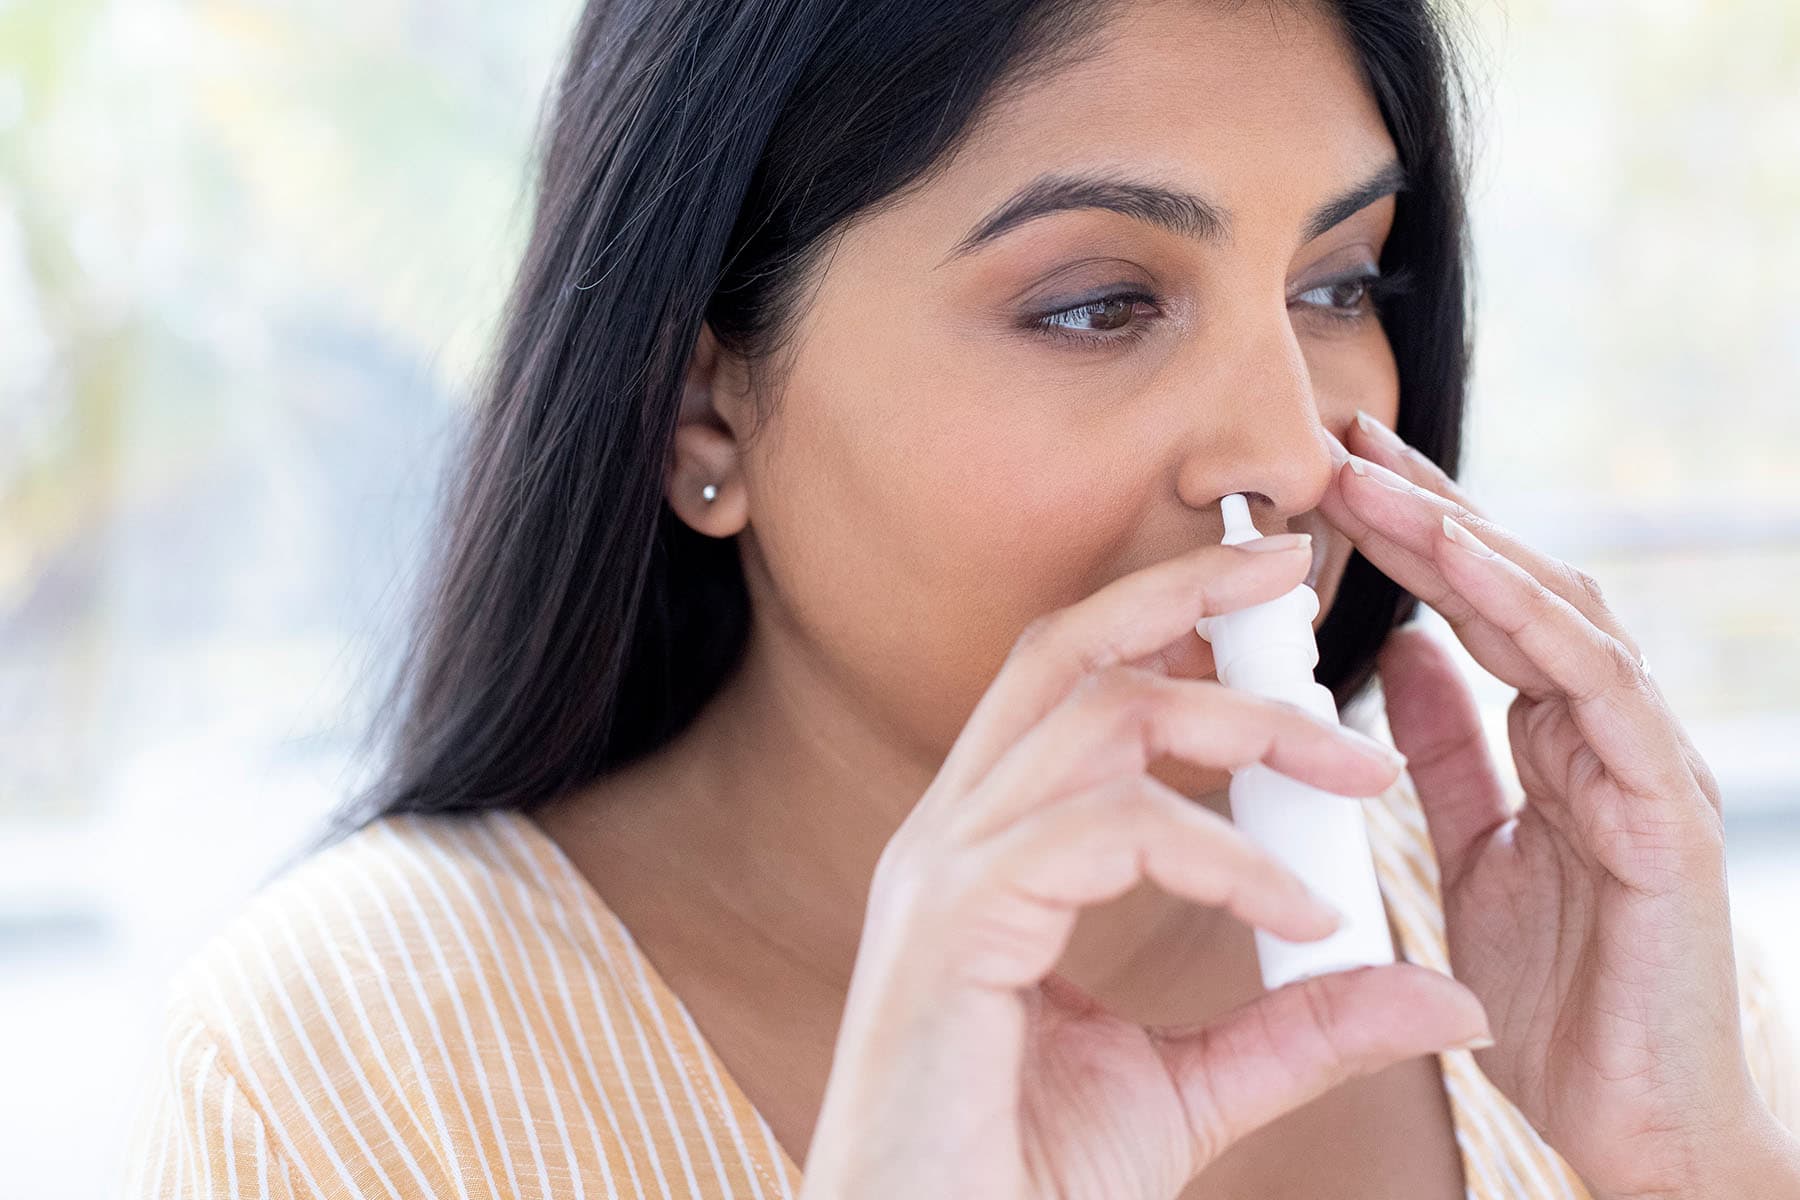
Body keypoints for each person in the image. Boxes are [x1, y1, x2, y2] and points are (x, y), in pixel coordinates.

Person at [121, 0, 1800, 1196]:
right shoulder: (352, 1075)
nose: (1289, 450)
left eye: (1338, 281)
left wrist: (1689, 1169)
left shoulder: (1566, 950)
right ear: (707, 407)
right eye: (1094, 304)